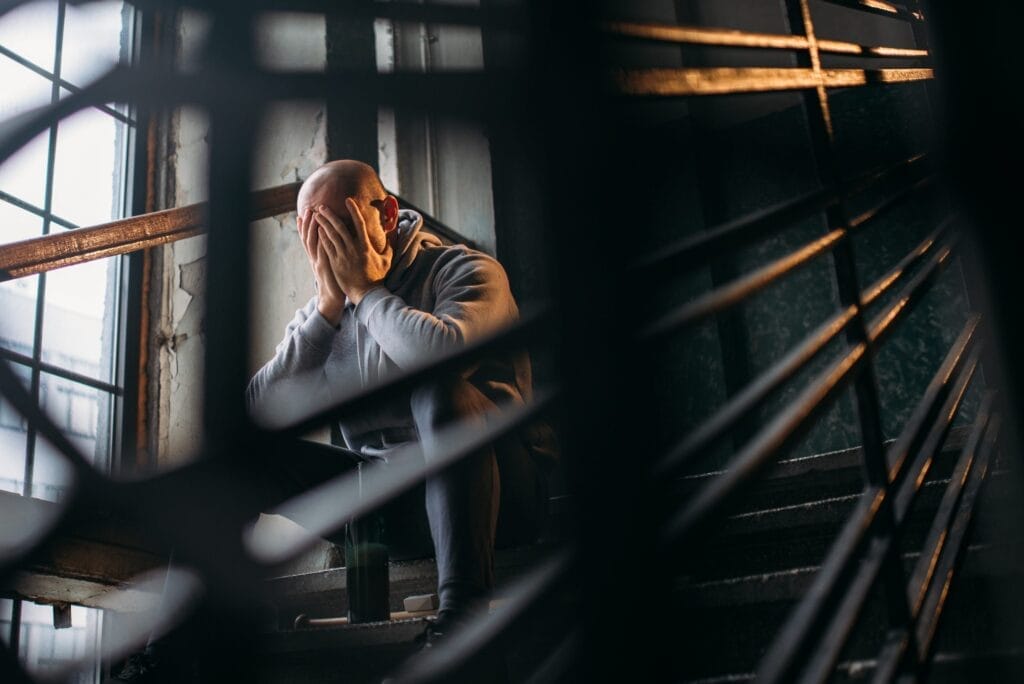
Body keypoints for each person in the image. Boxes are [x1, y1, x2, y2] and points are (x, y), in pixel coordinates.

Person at [245, 159, 552, 649]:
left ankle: (462, 619)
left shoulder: (467, 270)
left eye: (339, 226)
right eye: (315, 235)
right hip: (389, 514)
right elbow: (258, 417)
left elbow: (441, 361)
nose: (332, 248)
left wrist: (367, 293)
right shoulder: (324, 311)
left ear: (386, 215)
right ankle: (171, 653)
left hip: (497, 498)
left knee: (435, 388)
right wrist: (327, 311)